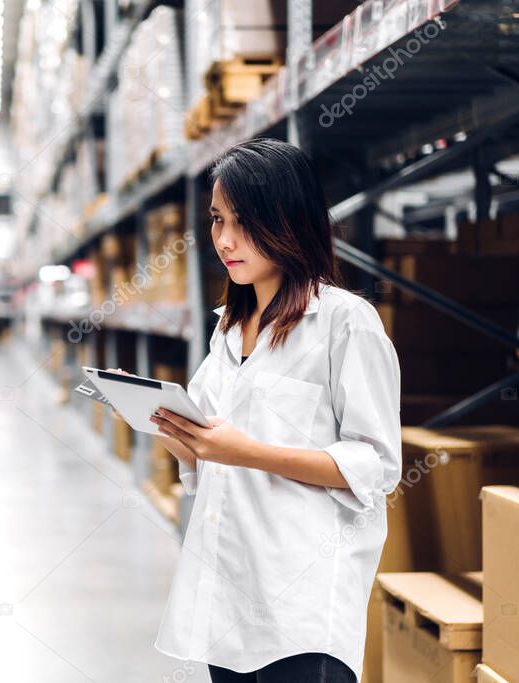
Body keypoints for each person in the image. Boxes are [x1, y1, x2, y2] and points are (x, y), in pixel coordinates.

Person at [150, 139, 401, 682]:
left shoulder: (345, 323)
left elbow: (376, 467)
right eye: (217, 220)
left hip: (302, 606)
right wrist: (181, 438)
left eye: (244, 221)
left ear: (289, 220)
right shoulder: (226, 330)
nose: (225, 239)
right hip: (228, 595)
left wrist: (245, 453)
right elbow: (211, 453)